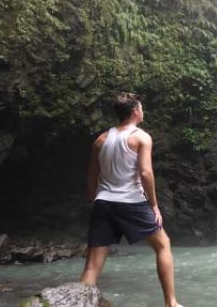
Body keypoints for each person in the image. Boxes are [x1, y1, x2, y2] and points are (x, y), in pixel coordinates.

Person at [80, 92, 182, 307]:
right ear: (135, 111)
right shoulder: (141, 137)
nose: (143, 111)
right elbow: (145, 172)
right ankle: (171, 303)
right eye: (142, 108)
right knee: (163, 245)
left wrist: (93, 198)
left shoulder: (101, 140)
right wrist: (154, 205)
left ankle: (79, 303)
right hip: (131, 202)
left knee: (91, 266)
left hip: (103, 202)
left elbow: (91, 174)